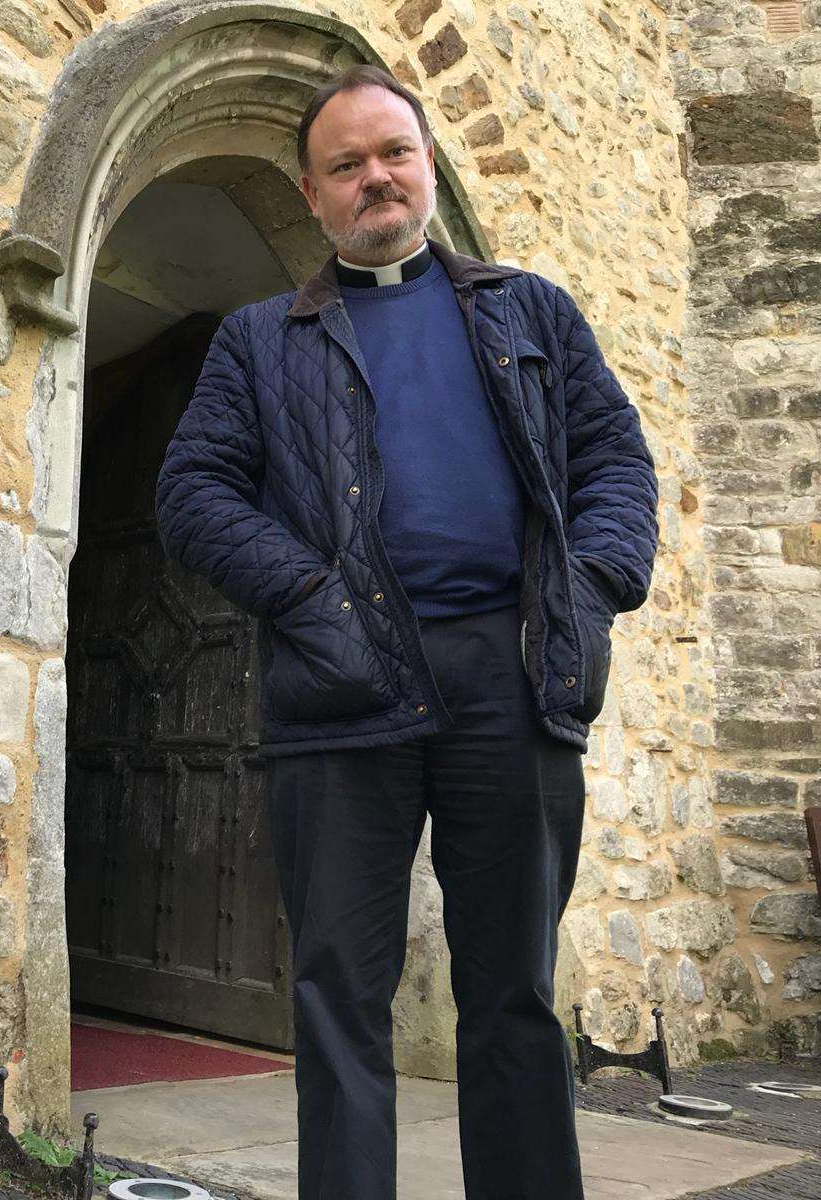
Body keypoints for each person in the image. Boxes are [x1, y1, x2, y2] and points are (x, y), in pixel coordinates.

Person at [152, 64, 659, 1200]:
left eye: (394, 153)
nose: (375, 178)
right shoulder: (256, 341)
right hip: (341, 685)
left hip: (514, 675)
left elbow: (617, 462)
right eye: (346, 164)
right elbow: (192, 496)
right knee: (337, 992)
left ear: (428, 162)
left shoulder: (530, 309)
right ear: (313, 191)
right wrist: (311, 598)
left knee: (515, 992)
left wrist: (588, 585)